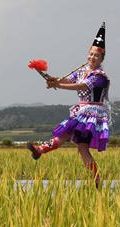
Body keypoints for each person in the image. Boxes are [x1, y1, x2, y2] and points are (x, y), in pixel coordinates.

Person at [27, 23, 110, 187]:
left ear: (101, 59)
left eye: (96, 56)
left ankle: (41, 149)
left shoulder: (100, 76)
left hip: (92, 114)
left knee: (68, 134)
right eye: (91, 54)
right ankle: (97, 179)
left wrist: (58, 85)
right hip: (82, 111)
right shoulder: (82, 70)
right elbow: (68, 80)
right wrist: (53, 79)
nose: (92, 57)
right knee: (82, 148)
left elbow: (82, 86)